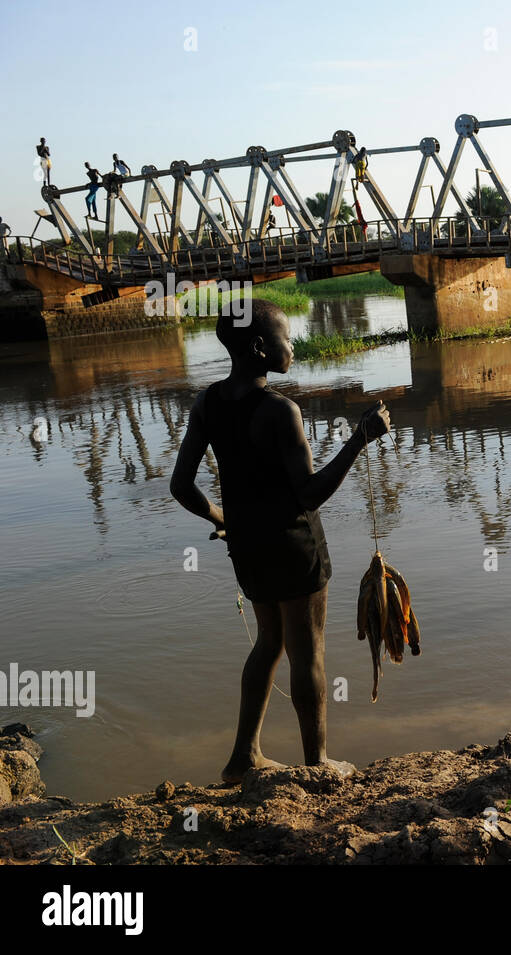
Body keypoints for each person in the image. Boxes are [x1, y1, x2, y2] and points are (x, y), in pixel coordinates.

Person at [170, 299, 391, 784]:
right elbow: (309, 493)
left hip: (247, 547)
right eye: (285, 338)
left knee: (270, 642)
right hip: (294, 546)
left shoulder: (206, 404)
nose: (293, 345)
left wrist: (224, 518)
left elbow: (181, 487)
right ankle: (317, 764)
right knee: (308, 651)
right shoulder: (280, 411)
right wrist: (359, 440)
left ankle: (244, 756)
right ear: (257, 347)